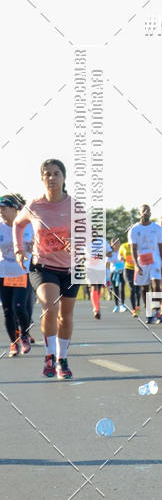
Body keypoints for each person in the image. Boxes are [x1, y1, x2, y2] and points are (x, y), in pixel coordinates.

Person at [13, 158, 77, 380]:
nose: (51, 178)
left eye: (56, 173)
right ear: (42, 178)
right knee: (51, 308)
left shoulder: (75, 206)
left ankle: (62, 359)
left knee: (66, 317)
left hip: (69, 268)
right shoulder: (35, 205)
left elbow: (89, 234)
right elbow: (18, 224)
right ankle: (49, 355)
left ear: (64, 177)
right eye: (47, 174)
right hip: (42, 266)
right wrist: (19, 250)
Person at [0, 193, 34, 356]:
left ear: (15, 210)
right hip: (4, 273)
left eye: (4, 208)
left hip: (23, 271)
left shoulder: (28, 226)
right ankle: (13, 342)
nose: (1, 211)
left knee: (19, 307)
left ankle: (25, 335)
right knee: (7, 310)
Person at [128, 204, 162, 324]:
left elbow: (161, 247)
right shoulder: (134, 229)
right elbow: (133, 249)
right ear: (139, 213)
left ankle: (156, 310)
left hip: (155, 260)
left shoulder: (157, 228)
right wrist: (137, 265)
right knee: (144, 288)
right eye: (143, 211)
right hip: (142, 261)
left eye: (148, 211)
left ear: (151, 213)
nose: (146, 213)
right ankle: (149, 312)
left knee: (156, 285)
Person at [119, 235, 139, 314]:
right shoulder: (123, 246)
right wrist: (121, 258)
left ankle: (137, 307)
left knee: (138, 290)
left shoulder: (138, 245)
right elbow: (119, 256)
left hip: (137, 270)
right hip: (127, 270)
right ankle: (134, 309)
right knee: (132, 288)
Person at [108, 237, 127, 312]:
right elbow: (107, 264)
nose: (117, 244)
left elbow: (126, 260)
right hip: (114, 273)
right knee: (115, 290)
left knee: (121, 288)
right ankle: (116, 305)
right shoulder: (110, 253)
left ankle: (122, 304)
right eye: (115, 243)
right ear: (112, 244)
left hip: (122, 272)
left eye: (118, 242)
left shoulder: (122, 251)